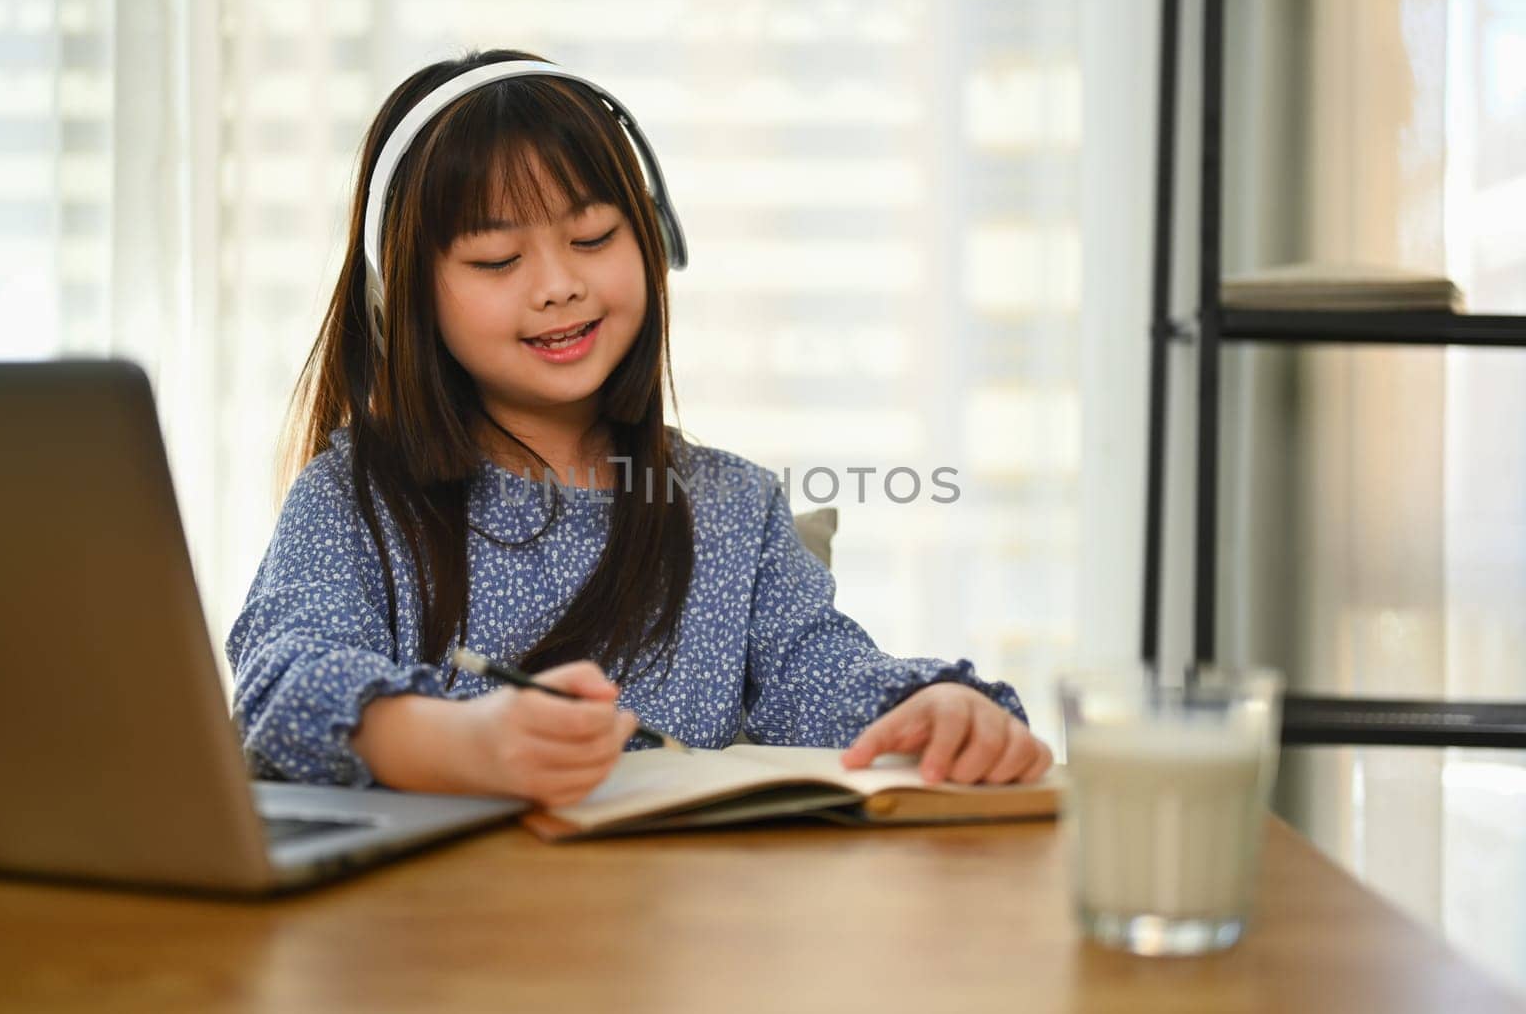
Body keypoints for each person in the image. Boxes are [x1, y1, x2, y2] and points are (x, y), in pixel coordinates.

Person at [227, 48, 1053, 808]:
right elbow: (281, 681)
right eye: (496, 260)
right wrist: (466, 743)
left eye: (592, 237)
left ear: (653, 241)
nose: (558, 286)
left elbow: (820, 675)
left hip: (675, 940)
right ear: (407, 293)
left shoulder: (732, 505)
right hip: (442, 943)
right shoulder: (357, 497)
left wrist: (931, 707)